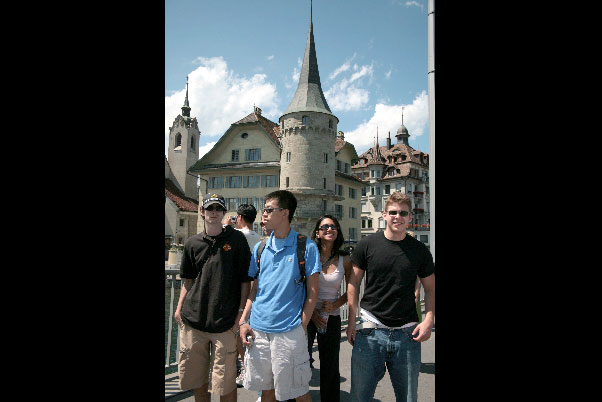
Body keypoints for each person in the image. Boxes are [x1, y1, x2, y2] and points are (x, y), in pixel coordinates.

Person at [346, 191, 435, 402]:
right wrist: (351, 321)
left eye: (403, 213)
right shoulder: (367, 244)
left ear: (410, 217)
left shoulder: (420, 250)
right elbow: (353, 283)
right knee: (359, 397)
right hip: (370, 331)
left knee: (408, 398)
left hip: (407, 334)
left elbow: (431, 289)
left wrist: (429, 320)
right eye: (393, 212)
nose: (398, 217)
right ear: (384, 214)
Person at [239, 190, 321, 402]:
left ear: (285, 213)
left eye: (269, 209)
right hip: (259, 330)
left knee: (299, 392)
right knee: (266, 391)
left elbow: (313, 293)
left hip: (289, 331)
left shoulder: (307, 247)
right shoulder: (260, 248)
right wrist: (243, 321)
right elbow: (254, 289)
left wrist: (301, 326)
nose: (263, 214)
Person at [174, 193, 252, 402]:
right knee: (198, 382)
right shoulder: (192, 243)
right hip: (194, 321)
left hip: (225, 323)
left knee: (226, 384)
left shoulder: (237, 240)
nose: (214, 212)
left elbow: (246, 281)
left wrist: (240, 315)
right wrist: (179, 309)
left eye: (218, 208)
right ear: (202, 212)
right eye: (210, 208)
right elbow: (188, 281)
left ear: (224, 212)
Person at [306, 215, 352, 402]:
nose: (329, 229)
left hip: (331, 317)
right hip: (307, 315)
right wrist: (312, 312)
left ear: (338, 232)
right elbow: (299, 286)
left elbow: (352, 290)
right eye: (324, 227)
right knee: (301, 360)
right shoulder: (309, 254)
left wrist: (335, 304)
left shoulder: (345, 259)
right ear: (317, 233)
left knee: (330, 365)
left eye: (333, 226)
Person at [232, 204, 262, 387]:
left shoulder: (237, 234)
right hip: (253, 287)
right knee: (246, 327)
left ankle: (245, 366)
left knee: (237, 328)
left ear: (240, 217)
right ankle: (244, 364)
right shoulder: (257, 237)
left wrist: (229, 225)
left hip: (239, 286)